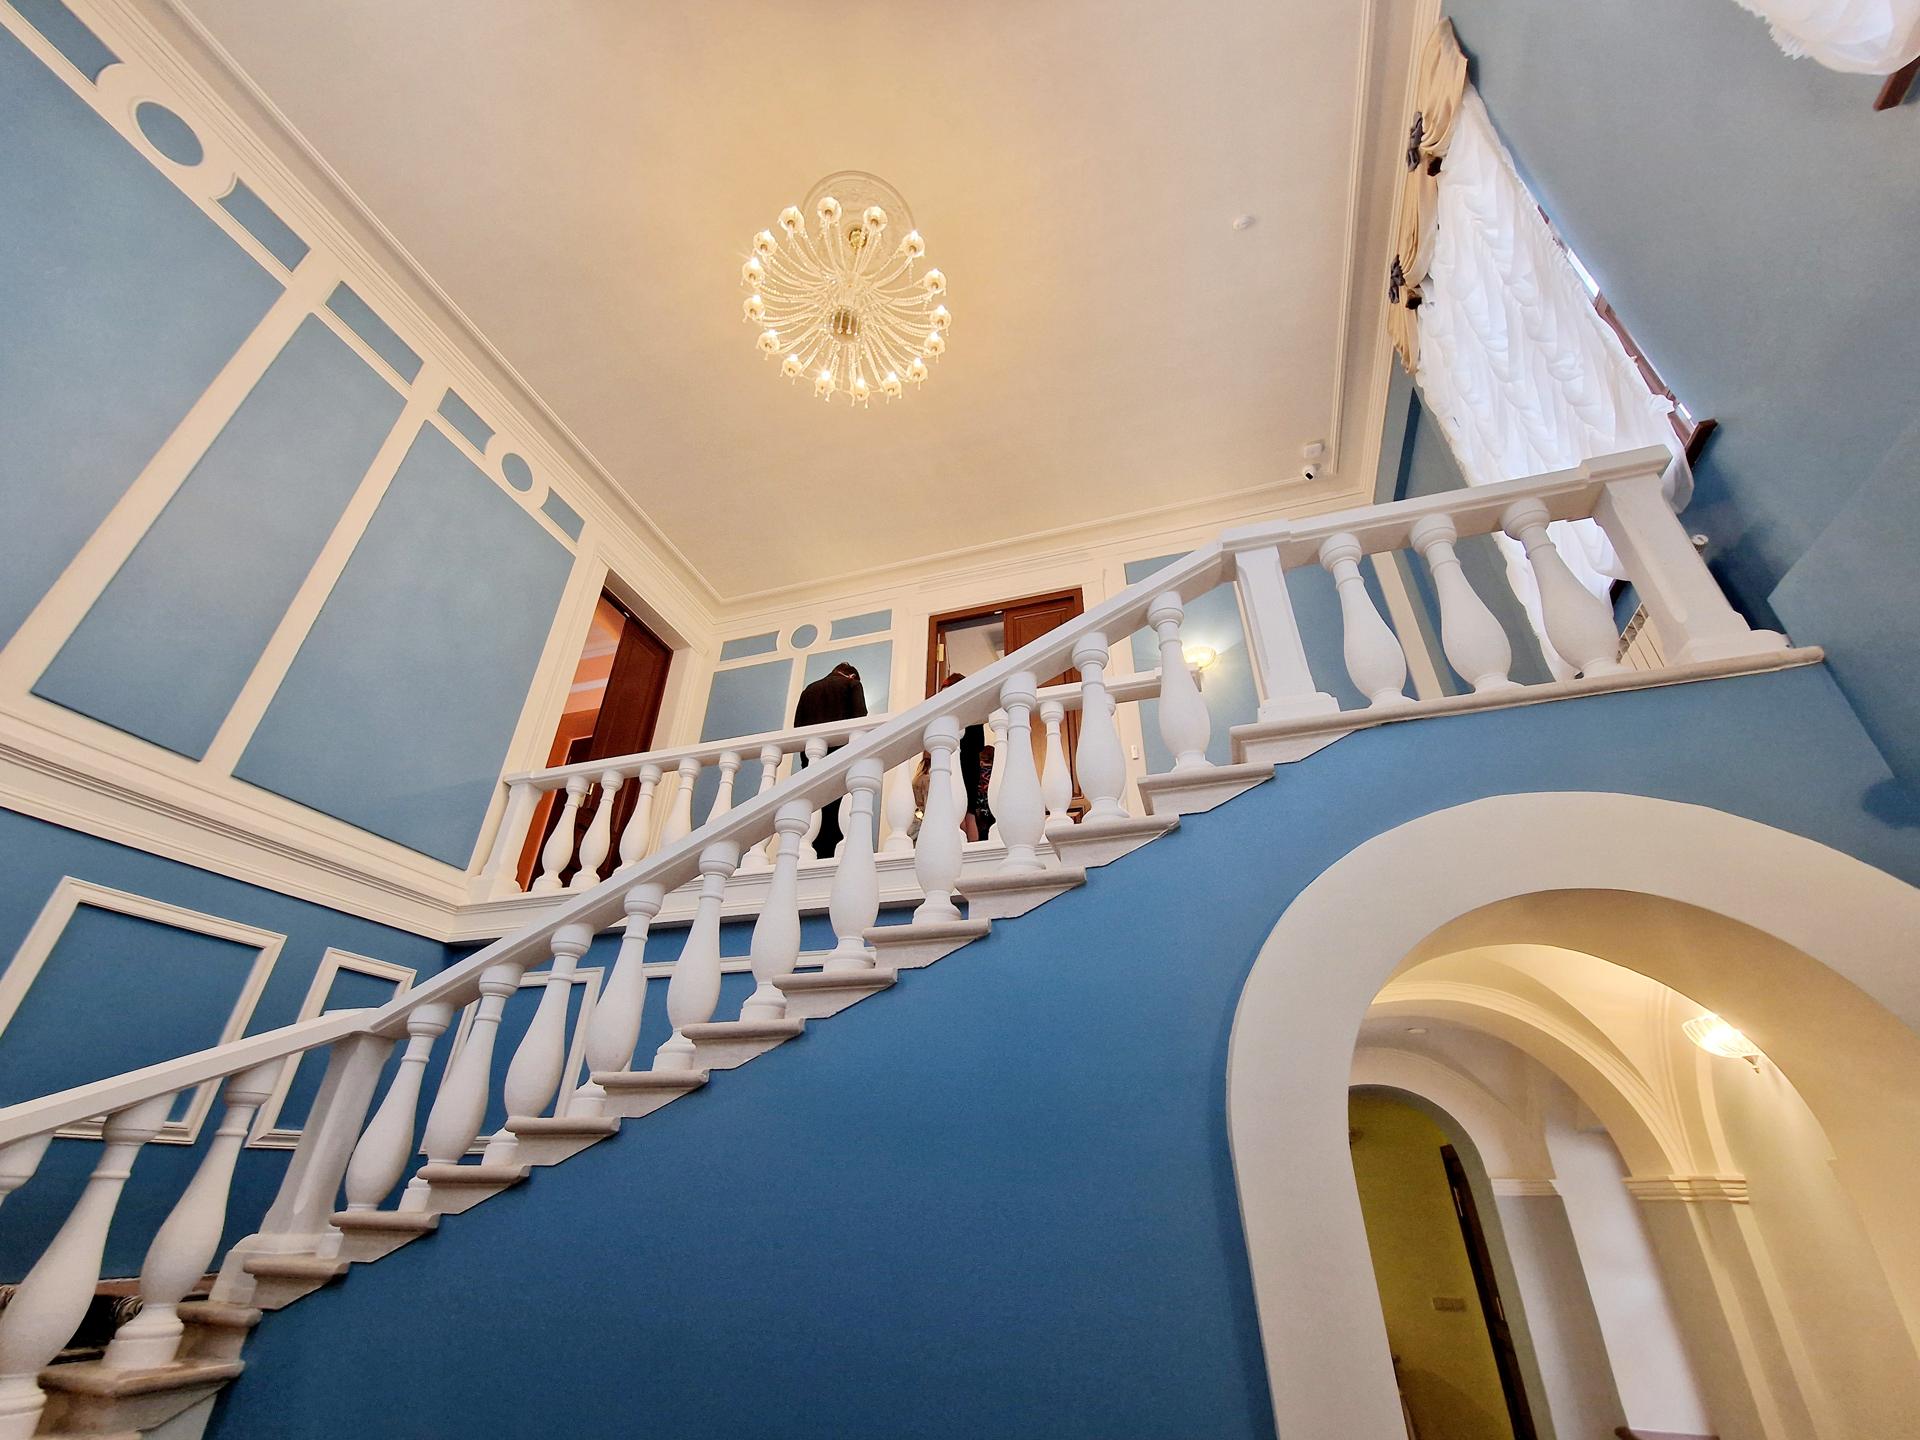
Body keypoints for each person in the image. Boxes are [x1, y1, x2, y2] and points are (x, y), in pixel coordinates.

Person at [792, 661, 867, 858]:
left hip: (812, 762)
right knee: (837, 815)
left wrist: (806, 761)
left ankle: (810, 855)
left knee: (813, 811)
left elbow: (798, 728)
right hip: (840, 761)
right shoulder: (852, 685)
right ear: (852, 675)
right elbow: (860, 719)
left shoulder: (809, 689)